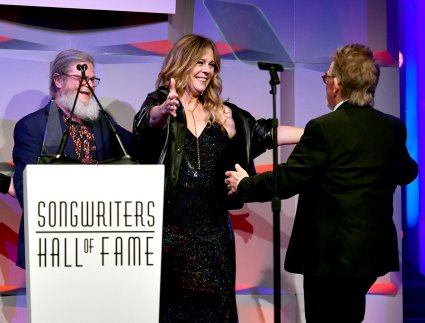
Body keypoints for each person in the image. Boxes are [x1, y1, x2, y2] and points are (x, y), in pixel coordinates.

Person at [225, 43, 418, 323]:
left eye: (326, 77)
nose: (326, 83)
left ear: (337, 84)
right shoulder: (391, 127)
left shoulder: (324, 128)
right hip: (369, 253)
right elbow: (407, 173)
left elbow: (289, 179)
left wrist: (245, 184)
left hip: (329, 258)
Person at [133, 33, 303, 322]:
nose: (207, 70)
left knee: (215, 311)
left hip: (213, 233)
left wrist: (319, 133)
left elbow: (265, 133)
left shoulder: (224, 113)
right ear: (182, 62)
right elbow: (147, 121)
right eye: (200, 62)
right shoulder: (161, 102)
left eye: (212, 65)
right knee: (172, 310)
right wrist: (164, 110)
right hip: (170, 232)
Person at [12, 49, 134, 269]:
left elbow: (138, 148)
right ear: (58, 80)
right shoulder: (32, 126)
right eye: (80, 78)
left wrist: (158, 119)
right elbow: (24, 186)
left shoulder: (103, 122)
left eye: (92, 79)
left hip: (99, 240)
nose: (89, 84)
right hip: (53, 243)